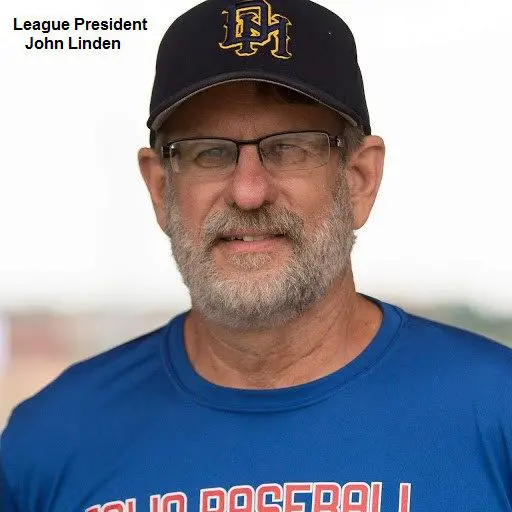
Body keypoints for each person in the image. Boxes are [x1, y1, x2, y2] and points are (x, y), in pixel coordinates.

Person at [2, 0, 511, 510]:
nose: (248, 192)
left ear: (359, 179)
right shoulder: (49, 444)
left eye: (290, 148)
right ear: (160, 188)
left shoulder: (494, 412)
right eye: (209, 152)